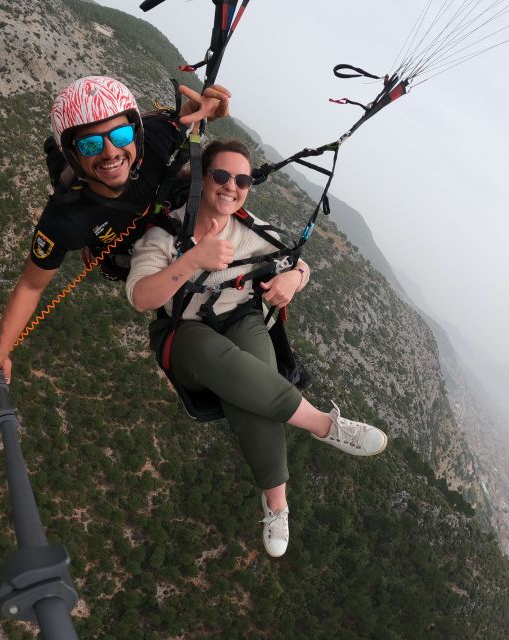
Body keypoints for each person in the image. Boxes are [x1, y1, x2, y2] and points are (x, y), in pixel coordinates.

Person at [125, 140, 388, 558]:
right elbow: (141, 297)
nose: (232, 186)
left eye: (242, 179)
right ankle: (325, 425)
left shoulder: (249, 229)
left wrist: (293, 280)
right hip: (182, 331)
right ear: (202, 178)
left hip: (241, 319)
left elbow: (299, 263)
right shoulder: (164, 235)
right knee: (218, 358)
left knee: (253, 390)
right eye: (222, 175)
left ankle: (276, 504)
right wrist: (193, 261)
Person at [0, 75, 230, 382]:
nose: (111, 151)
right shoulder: (67, 217)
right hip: (117, 245)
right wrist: (0, 351)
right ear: (71, 154)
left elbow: (183, 118)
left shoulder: (152, 141)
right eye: (90, 144)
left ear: (135, 133)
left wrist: (203, 109)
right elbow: (31, 286)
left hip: (156, 218)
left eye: (121, 135)